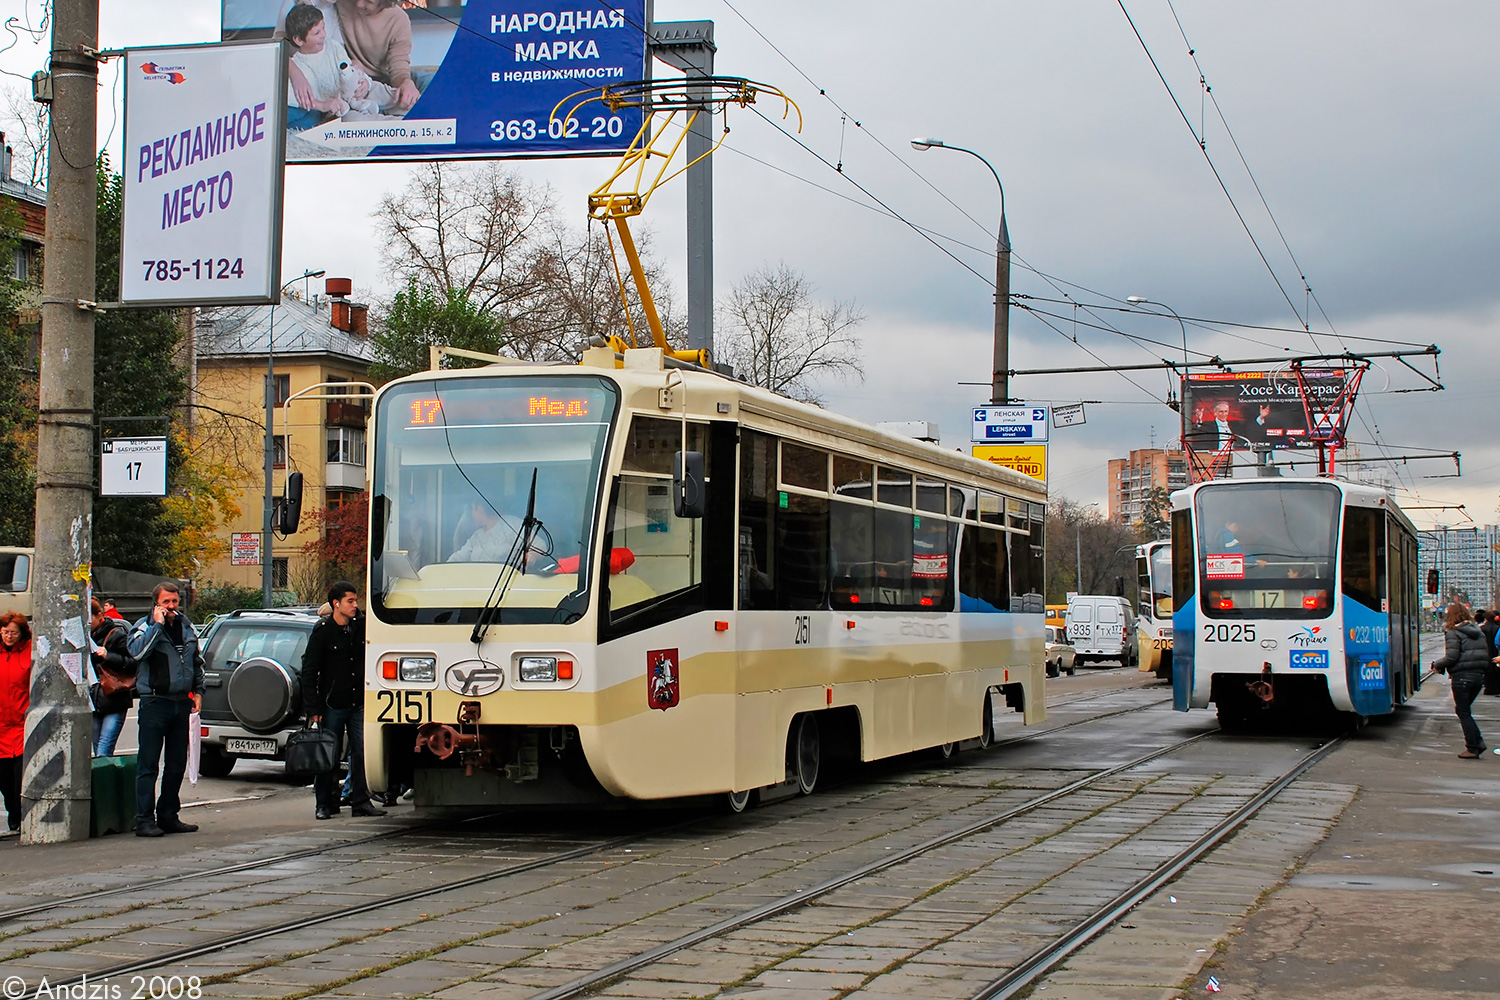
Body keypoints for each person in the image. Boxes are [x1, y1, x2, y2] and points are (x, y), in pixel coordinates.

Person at [302, 581, 385, 820]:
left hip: (357, 701)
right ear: (336, 604)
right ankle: (324, 802)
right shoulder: (324, 631)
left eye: (355, 600)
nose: (354, 605)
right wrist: (313, 708)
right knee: (329, 753)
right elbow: (309, 671)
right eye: (350, 601)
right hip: (332, 703)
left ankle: (360, 801)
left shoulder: (359, 627)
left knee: (361, 752)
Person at [128, 582, 204, 836]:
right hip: (154, 701)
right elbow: (138, 654)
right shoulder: (143, 627)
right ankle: (144, 819)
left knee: (176, 764)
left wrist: (199, 691)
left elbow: (197, 661)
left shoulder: (186, 626)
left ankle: (169, 815)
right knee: (148, 764)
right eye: (166, 602)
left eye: (174, 602)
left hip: (180, 702)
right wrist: (157, 626)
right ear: (156, 604)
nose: (171, 607)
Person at [336, 0, 420, 110]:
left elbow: (398, 67)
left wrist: (406, 83)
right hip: (354, 77)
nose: (359, 4)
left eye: (369, 1)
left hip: (385, 79)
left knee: (429, 81)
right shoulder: (343, 4)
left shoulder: (399, 20)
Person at [1431, 602, 1490, 759]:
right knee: (1464, 711)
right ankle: (1478, 743)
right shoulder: (1478, 632)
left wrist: (1437, 665)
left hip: (1462, 678)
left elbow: (1452, 657)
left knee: (1463, 712)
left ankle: (1472, 747)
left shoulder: (1453, 633)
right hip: (1478, 677)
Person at [89, 596, 137, 757]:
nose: (87, 624)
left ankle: (105, 781)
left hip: (115, 698)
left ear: (99, 616)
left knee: (104, 748)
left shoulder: (117, 635)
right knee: (97, 748)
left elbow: (133, 663)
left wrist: (108, 655)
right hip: (94, 700)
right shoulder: (83, 639)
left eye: (90, 619)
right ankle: (103, 779)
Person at [0, 611, 31, 834]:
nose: (9, 636)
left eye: (13, 633)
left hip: (22, 724)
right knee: (5, 781)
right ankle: (13, 814)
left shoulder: (29, 652)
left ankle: (20, 817)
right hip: (1, 726)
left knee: (19, 776)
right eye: (5, 632)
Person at [449, 502, 523, 563]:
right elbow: (460, 556)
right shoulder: (477, 536)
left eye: (473, 509)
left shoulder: (512, 524)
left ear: (481, 508)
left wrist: (531, 556)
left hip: (508, 579)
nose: (472, 514)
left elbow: (533, 545)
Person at [1479, 609, 1500, 696]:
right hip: (1496, 651)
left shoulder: (1482, 628)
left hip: (1485, 651)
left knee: (1487, 671)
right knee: (1497, 671)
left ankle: (1488, 688)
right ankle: (1497, 688)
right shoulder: (1498, 628)